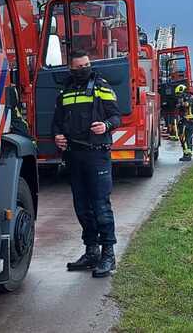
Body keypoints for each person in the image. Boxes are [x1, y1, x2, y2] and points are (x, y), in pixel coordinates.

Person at [53, 50, 122, 277]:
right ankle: (91, 251)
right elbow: (57, 122)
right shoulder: (65, 90)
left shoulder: (101, 86)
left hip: (96, 155)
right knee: (82, 207)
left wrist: (106, 126)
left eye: (87, 65)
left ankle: (108, 255)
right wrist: (58, 136)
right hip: (75, 156)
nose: (84, 69)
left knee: (100, 206)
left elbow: (116, 116)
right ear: (71, 68)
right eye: (79, 66)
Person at [176, 84, 193, 162]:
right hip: (190, 121)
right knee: (188, 138)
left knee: (184, 138)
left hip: (186, 122)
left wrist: (180, 104)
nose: (178, 96)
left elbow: (186, 105)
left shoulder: (187, 98)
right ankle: (188, 154)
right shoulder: (191, 97)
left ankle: (187, 155)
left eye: (179, 94)